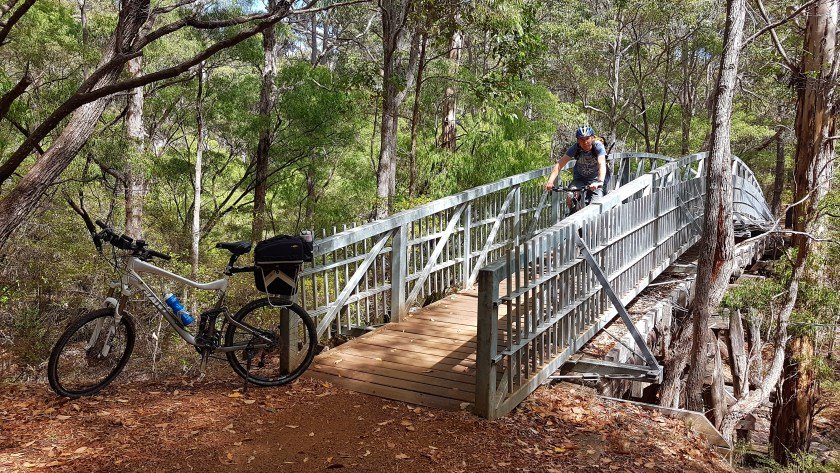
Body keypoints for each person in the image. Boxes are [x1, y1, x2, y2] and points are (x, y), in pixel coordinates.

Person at [544, 125, 607, 209]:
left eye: (587, 138)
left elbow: (601, 163)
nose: (585, 142)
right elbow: (559, 164)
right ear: (578, 140)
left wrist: (600, 182)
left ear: (592, 138)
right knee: (570, 196)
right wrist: (550, 181)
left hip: (595, 180)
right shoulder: (575, 148)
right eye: (582, 139)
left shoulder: (598, 146)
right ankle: (572, 212)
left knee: (595, 206)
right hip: (579, 179)